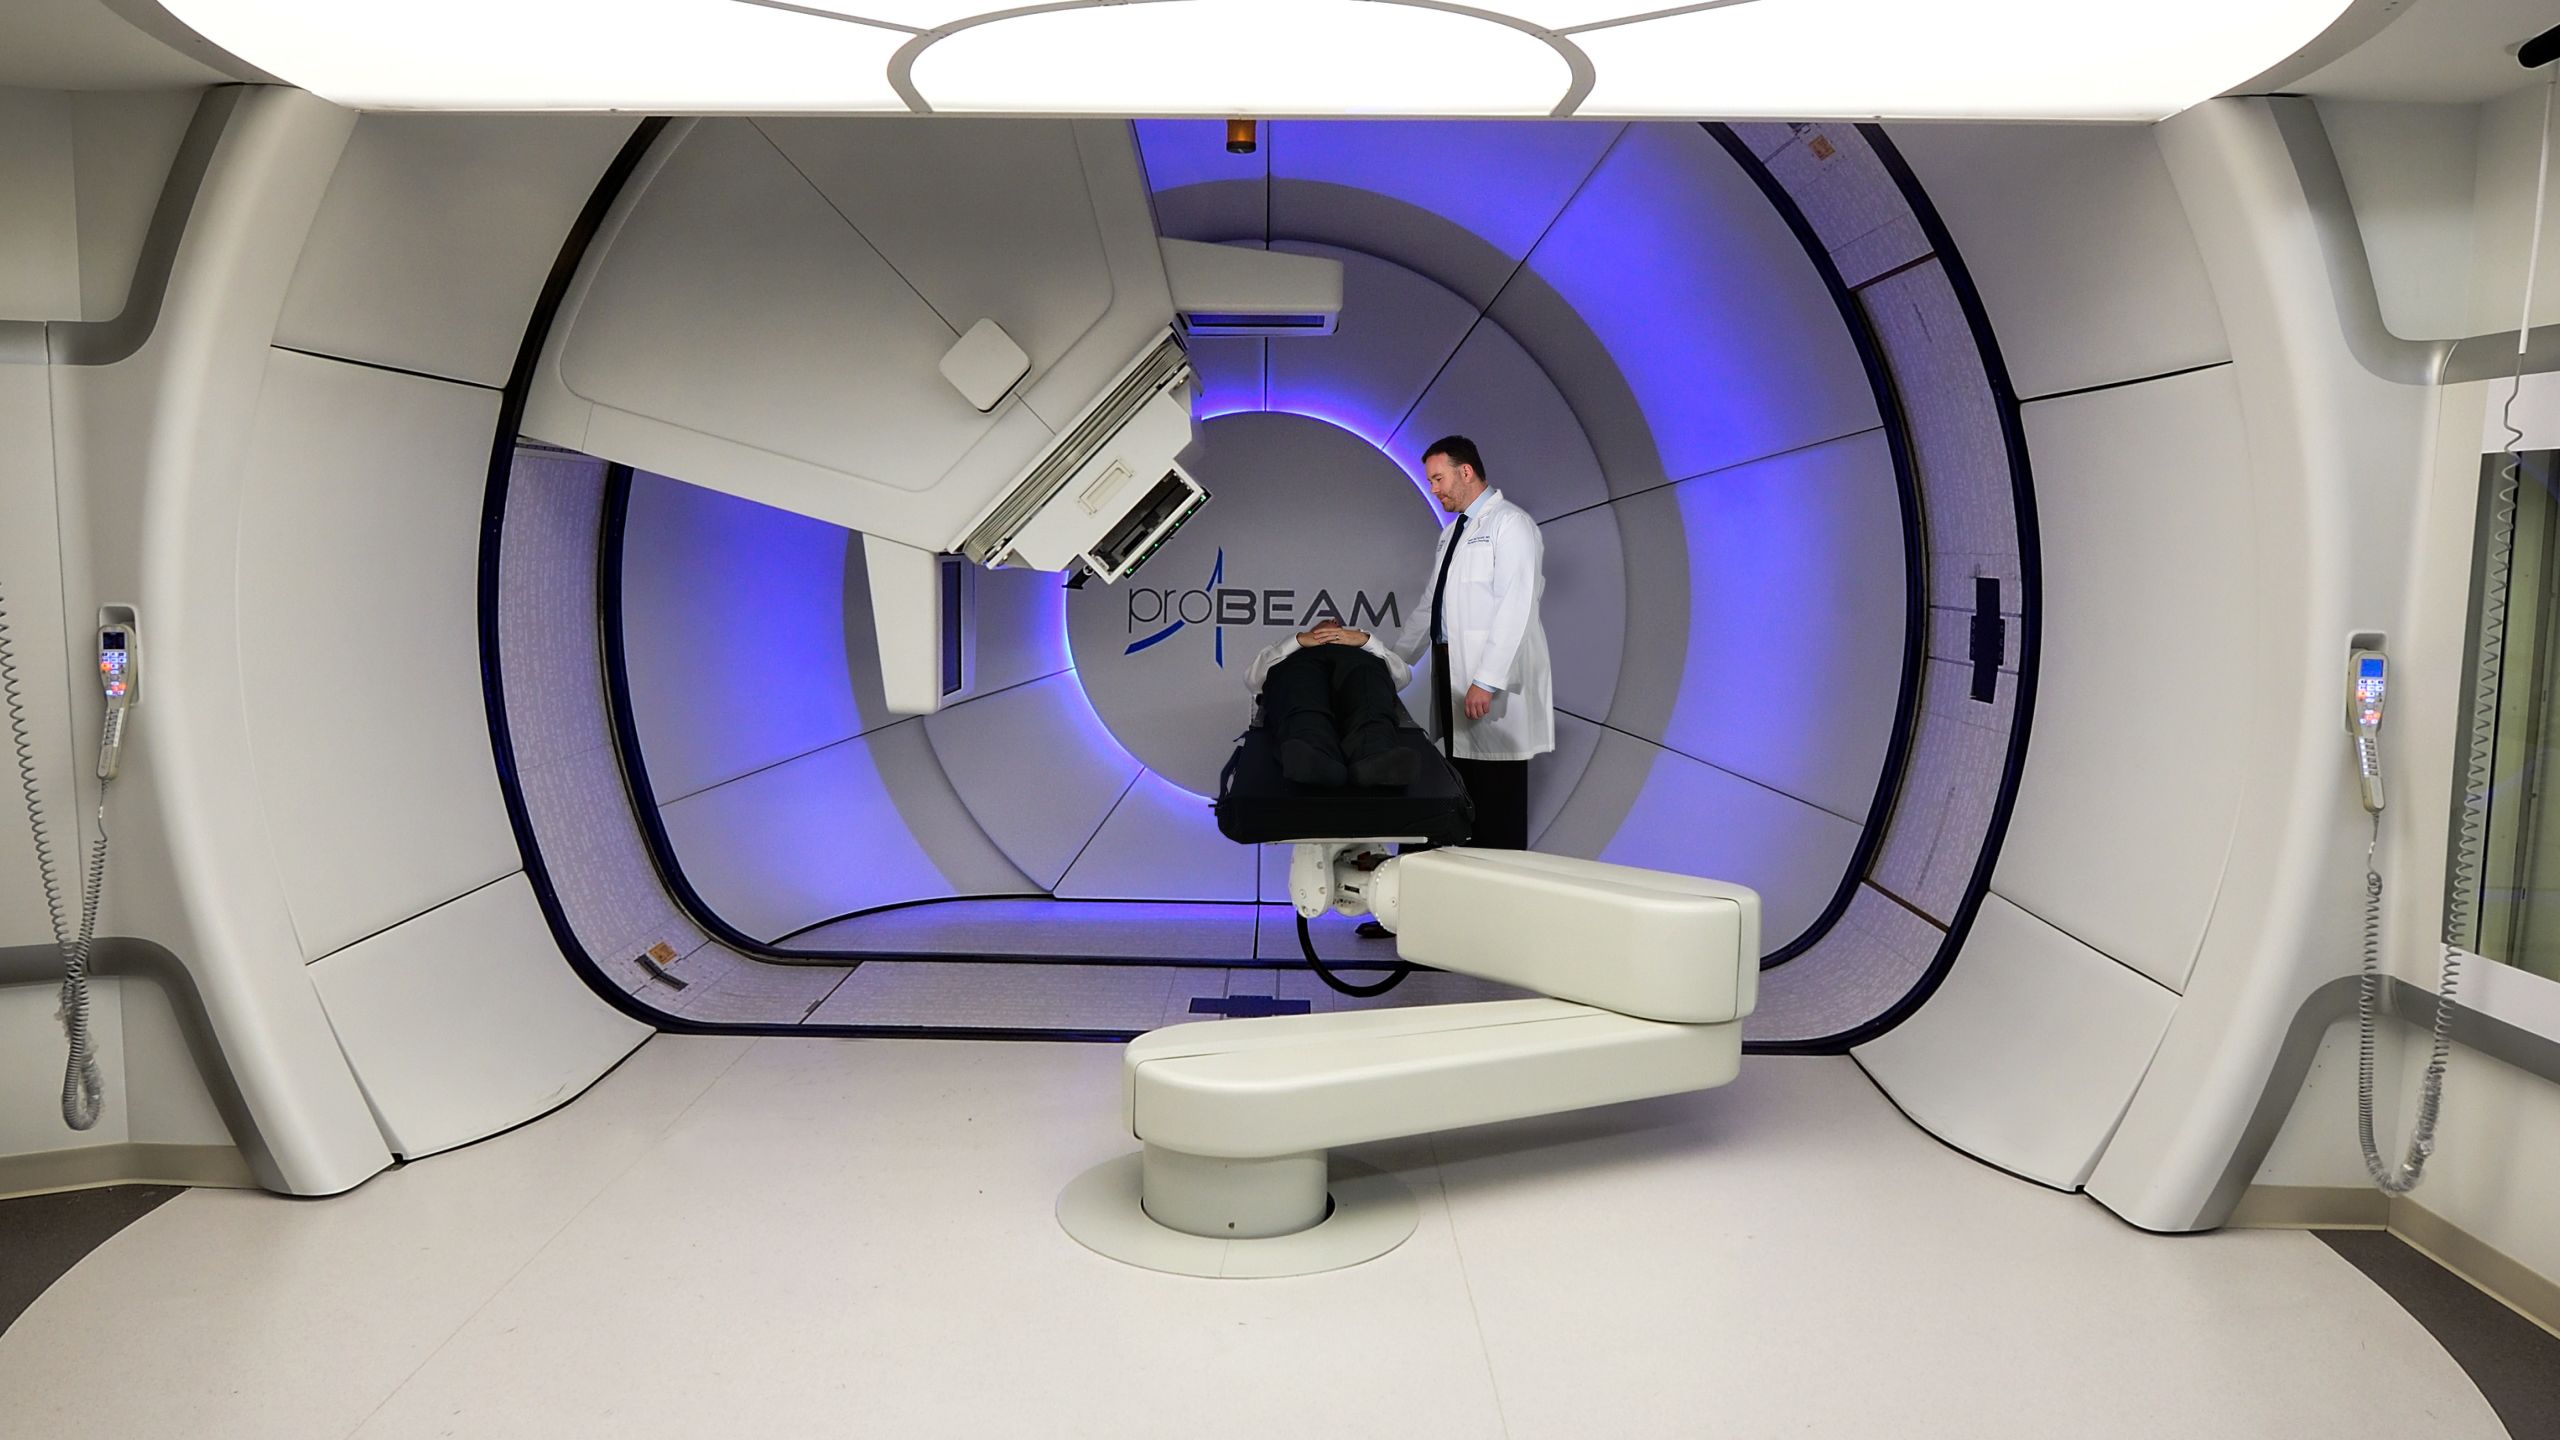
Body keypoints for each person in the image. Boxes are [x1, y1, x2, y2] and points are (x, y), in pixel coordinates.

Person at [1324, 435, 1553, 850]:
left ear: (1465, 472)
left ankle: (1500, 895)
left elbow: (1515, 607)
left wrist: (1486, 680)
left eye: (1438, 478)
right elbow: (1430, 609)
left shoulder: (1510, 524)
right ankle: (1456, 892)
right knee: (1457, 783)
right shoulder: (1452, 535)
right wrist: (1389, 662)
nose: (1434, 488)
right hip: (1451, 669)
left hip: (1488, 677)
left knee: (1496, 793)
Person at [1244, 623, 1418, 788]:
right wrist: (1297, 641)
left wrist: (1366, 641)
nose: (1331, 624)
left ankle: (1376, 755)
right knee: (1300, 689)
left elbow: (1403, 677)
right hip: (1301, 666)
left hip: (1358, 665)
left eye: (1337, 625)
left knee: (1368, 689)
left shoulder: (1365, 647)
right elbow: (1253, 679)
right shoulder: (1287, 647)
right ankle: (1315, 756)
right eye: (1323, 625)